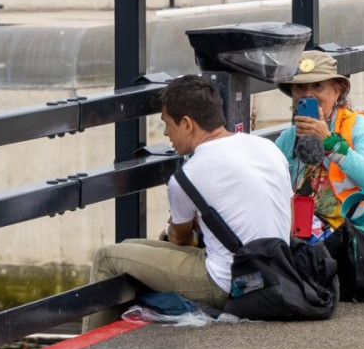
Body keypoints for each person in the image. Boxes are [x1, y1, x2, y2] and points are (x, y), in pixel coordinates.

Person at [82, 75, 292, 331]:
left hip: (228, 282)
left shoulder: (188, 175)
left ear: (187, 124)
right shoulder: (266, 147)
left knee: (107, 258)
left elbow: (178, 239)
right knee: (127, 247)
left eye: (167, 124)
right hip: (276, 270)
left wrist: (185, 224)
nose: (166, 134)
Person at [274, 50, 364, 234]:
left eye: (317, 87)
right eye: (300, 88)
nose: (307, 95)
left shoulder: (356, 125)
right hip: (306, 233)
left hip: (360, 230)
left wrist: (330, 144)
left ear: (336, 92)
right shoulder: (287, 139)